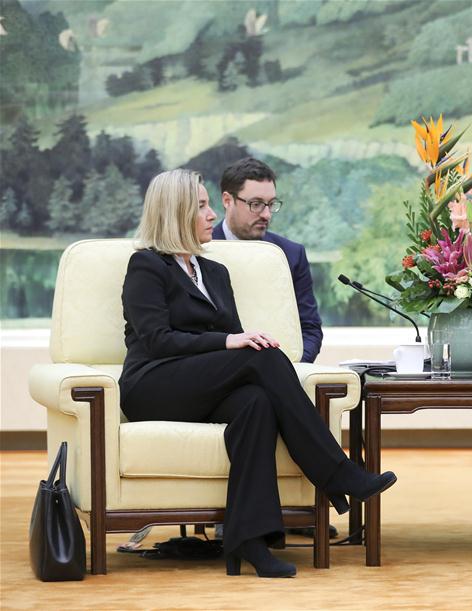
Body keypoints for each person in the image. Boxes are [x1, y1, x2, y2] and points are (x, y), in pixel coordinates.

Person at [119, 169, 396, 577]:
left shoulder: (215, 272)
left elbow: (229, 339)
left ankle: (250, 541)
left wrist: (232, 342)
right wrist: (229, 341)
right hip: (153, 384)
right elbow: (158, 340)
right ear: (175, 212)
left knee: (257, 402)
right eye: (201, 206)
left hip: (202, 385)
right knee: (261, 355)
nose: (211, 214)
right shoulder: (146, 266)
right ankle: (337, 472)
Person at [213, 157, 323, 363]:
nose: (266, 215)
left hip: (279, 366)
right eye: (256, 204)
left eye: (271, 204)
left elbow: (309, 329)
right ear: (227, 200)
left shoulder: (291, 254)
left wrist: (289, 369)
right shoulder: (200, 250)